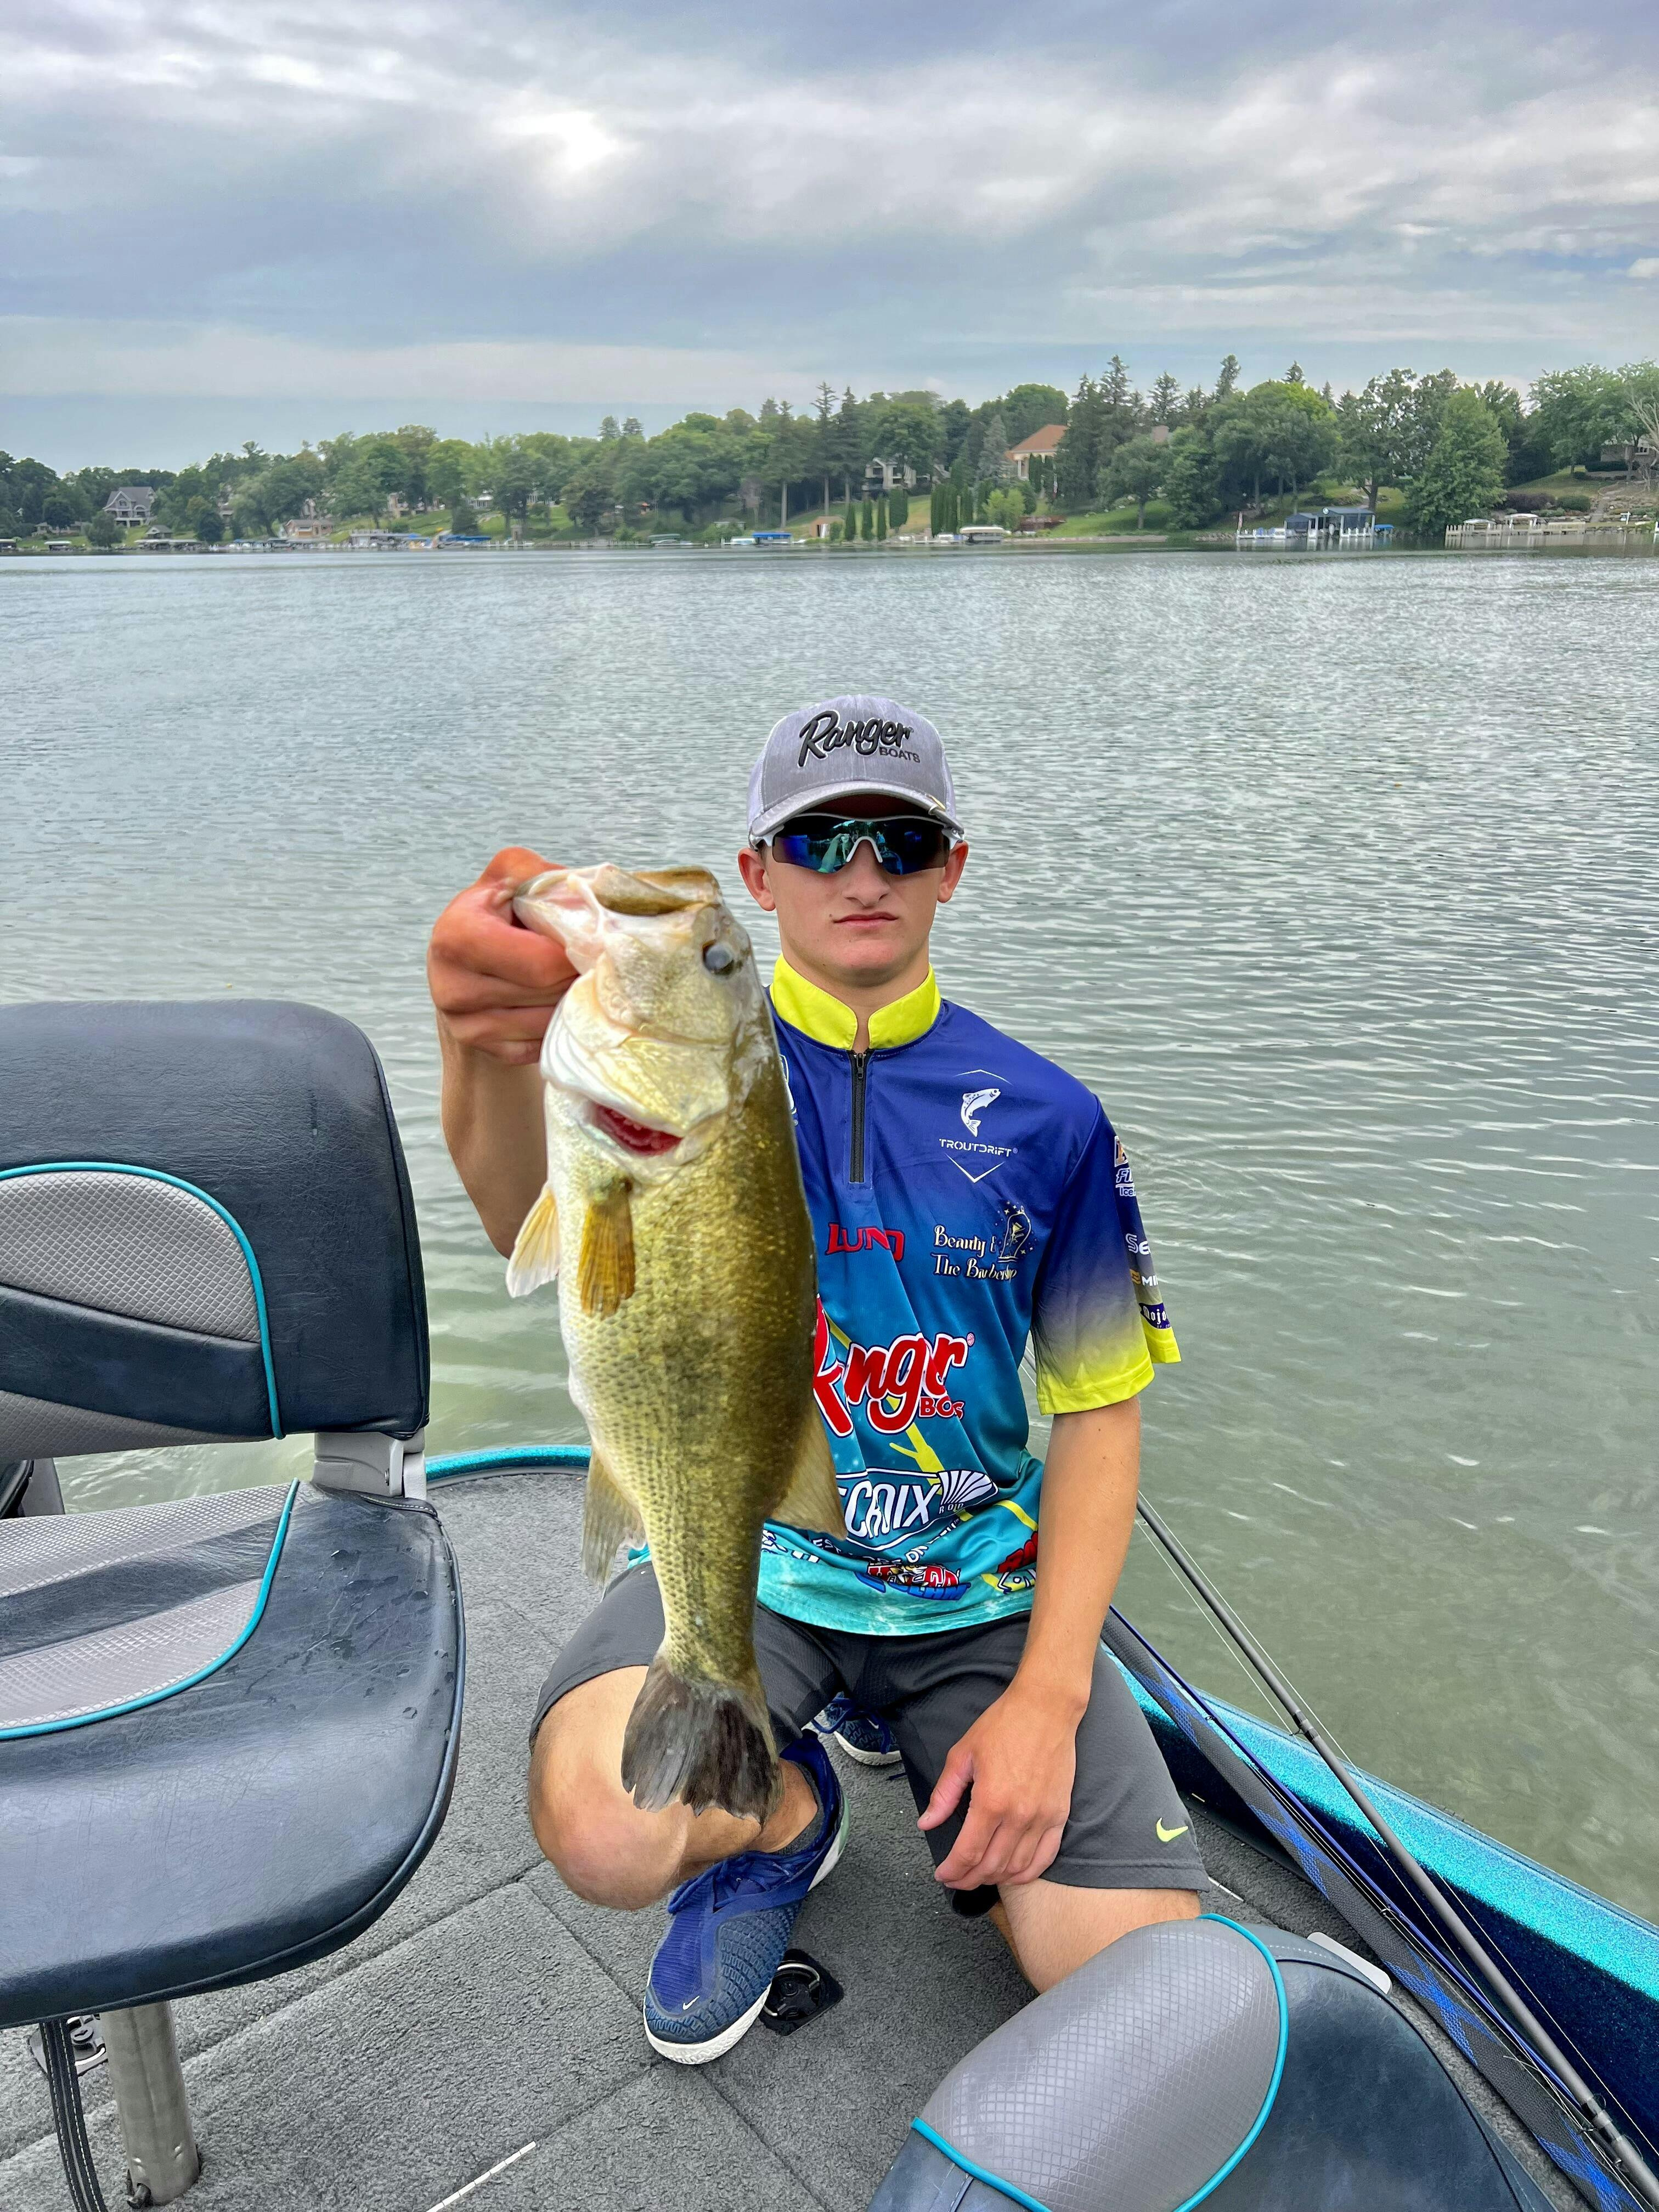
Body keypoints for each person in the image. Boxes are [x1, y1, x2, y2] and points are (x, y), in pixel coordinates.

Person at [427, 693, 1201, 2064]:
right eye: (818, 840)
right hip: (752, 1554)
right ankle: (786, 1813)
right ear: (759, 872)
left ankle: (940, 1734)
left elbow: (1100, 1414)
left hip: (974, 1581)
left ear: (952, 869)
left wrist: (1049, 1701)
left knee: (1143, 1991)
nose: (861, 873)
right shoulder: (676, 1065)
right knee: (606, 1830)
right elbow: (515, 1217)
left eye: (901, 842)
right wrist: (480, 1039)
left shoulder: (1054, 1118)